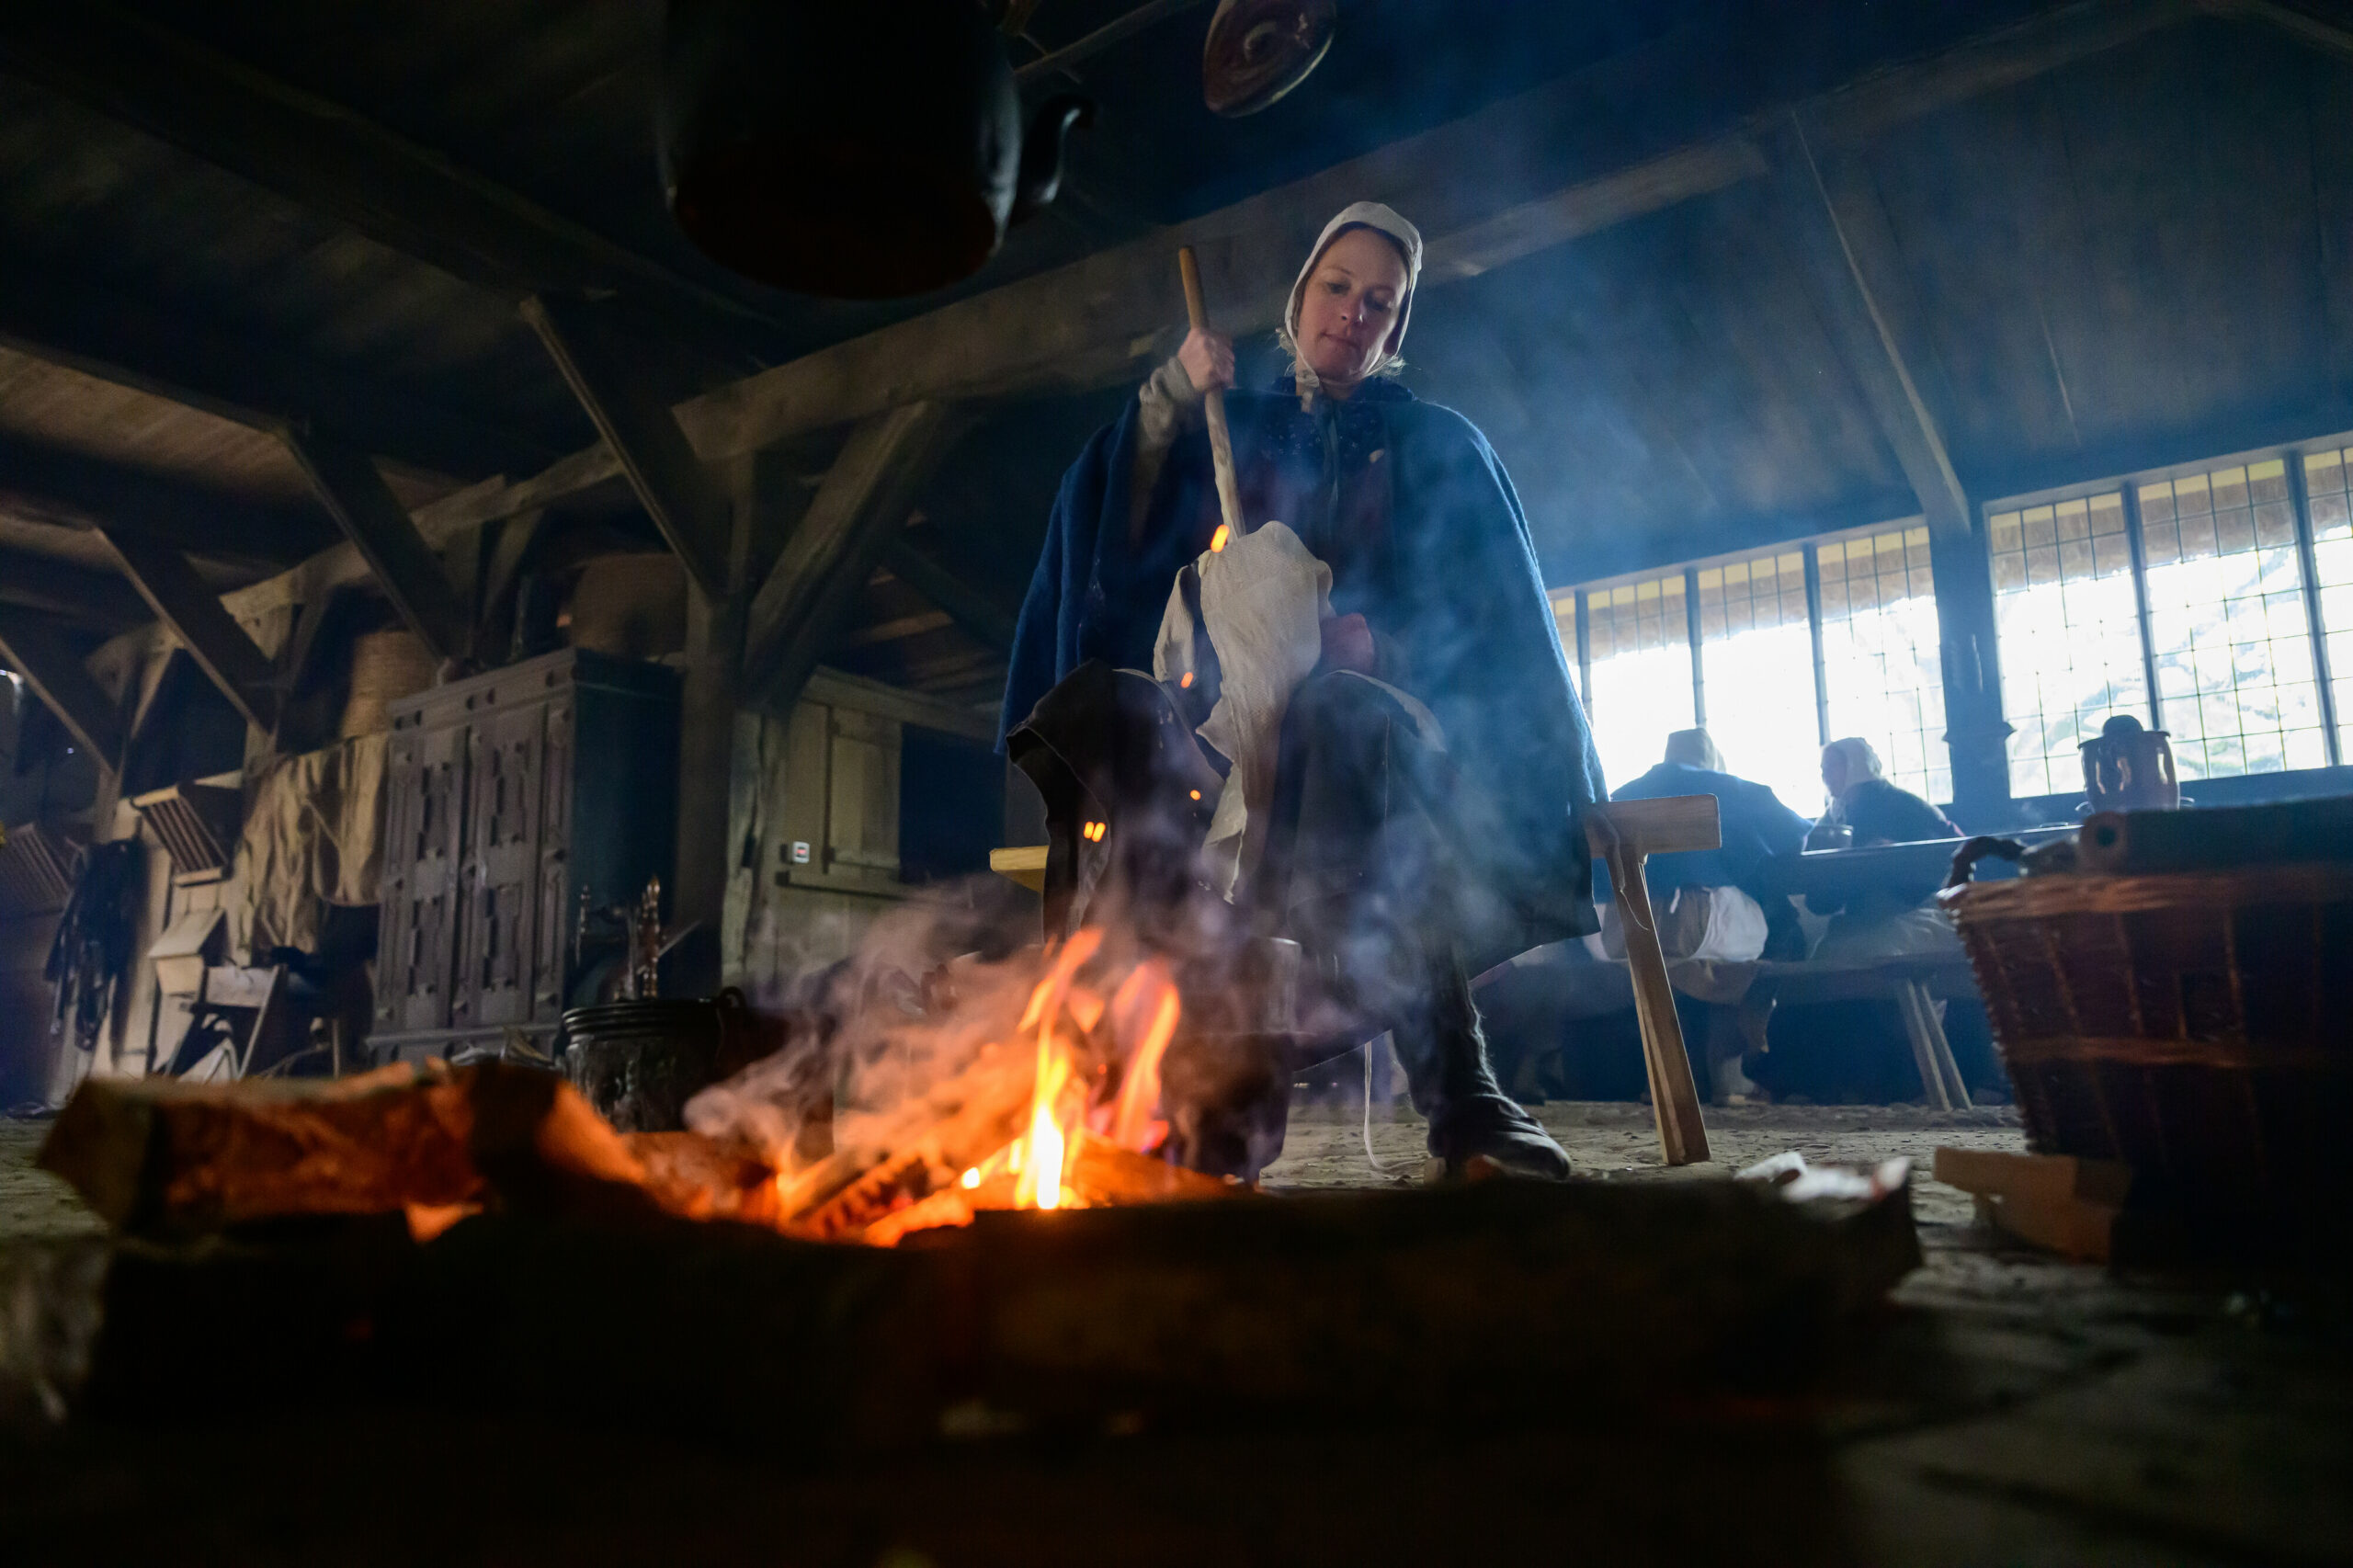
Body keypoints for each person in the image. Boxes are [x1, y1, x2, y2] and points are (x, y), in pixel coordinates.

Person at [1000, 202, 1602, 1181]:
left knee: (1336, 711)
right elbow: (1115, 507)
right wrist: (1165, 396)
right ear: (1300, 295)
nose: (1353, 314)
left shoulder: (1435, 445)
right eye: (1338, 287)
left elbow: (1487, 624)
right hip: (1228, 729)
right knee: (1105, 712)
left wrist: (1383, 646)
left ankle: (1464, 1094)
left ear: (1396, 329)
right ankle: (1167, 1097)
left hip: (1382, 732)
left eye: (1380, 303)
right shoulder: (1223, 423)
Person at [1809, 737, 1961, 960]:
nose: (1825, 775)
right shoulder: (1832, 819)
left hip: (1912, 909)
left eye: (1831, 766)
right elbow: (1820, 900)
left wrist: (1891, 856)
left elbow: (1941, 861)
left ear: (1855, 765)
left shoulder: (1903, 806)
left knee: (1877, 950)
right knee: (1825, 955)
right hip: (1863, 916)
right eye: (1823, 768)